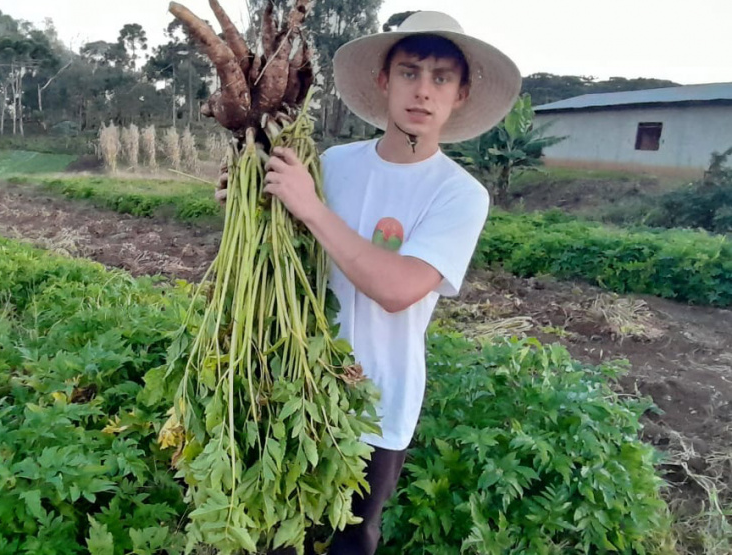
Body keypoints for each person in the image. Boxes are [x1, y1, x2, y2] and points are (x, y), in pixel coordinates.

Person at [218, 11, 522, 555]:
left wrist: (309, 205)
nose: (423, 91)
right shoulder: (333, 164)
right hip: (292, 377)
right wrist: (246, 195)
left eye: (440, 77)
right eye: (409, 72)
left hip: (376, 401)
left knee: (351, 538)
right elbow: (282, 243)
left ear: (460, 93)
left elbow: (399, 287)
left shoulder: (460, 194)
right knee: (273, 529)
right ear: (384, 81)